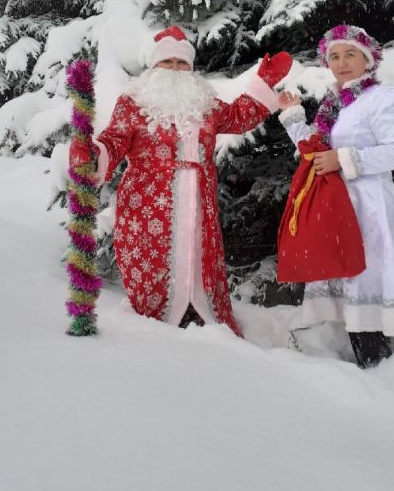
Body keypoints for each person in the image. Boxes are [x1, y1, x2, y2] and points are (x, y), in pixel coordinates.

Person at [71, 26, 291, 335]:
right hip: (147, 206)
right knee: (153, 268)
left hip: (199, 203)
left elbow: (239, 117)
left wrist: (263, 83)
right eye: (167, 63)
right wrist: (92, 155)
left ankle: (201, 317)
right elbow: (114, 141)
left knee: (198, 260)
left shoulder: (205, 104)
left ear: (191, 68)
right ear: (154, 67)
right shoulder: (133, 103)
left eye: (182, 64)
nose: (175, 70)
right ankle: (154, 329)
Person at [277, 24, 394, 367]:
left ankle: (381, 367)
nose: (341, 62)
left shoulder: (384, 98)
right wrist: (293, 118)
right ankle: (369, 368)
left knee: (367, 277)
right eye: (334, 56)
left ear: (368, 59)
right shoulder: (336, 106)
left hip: (370, 206)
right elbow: (316, 151)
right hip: (339, 206)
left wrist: (344, 159)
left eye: (350, 54)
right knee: (350, 278)